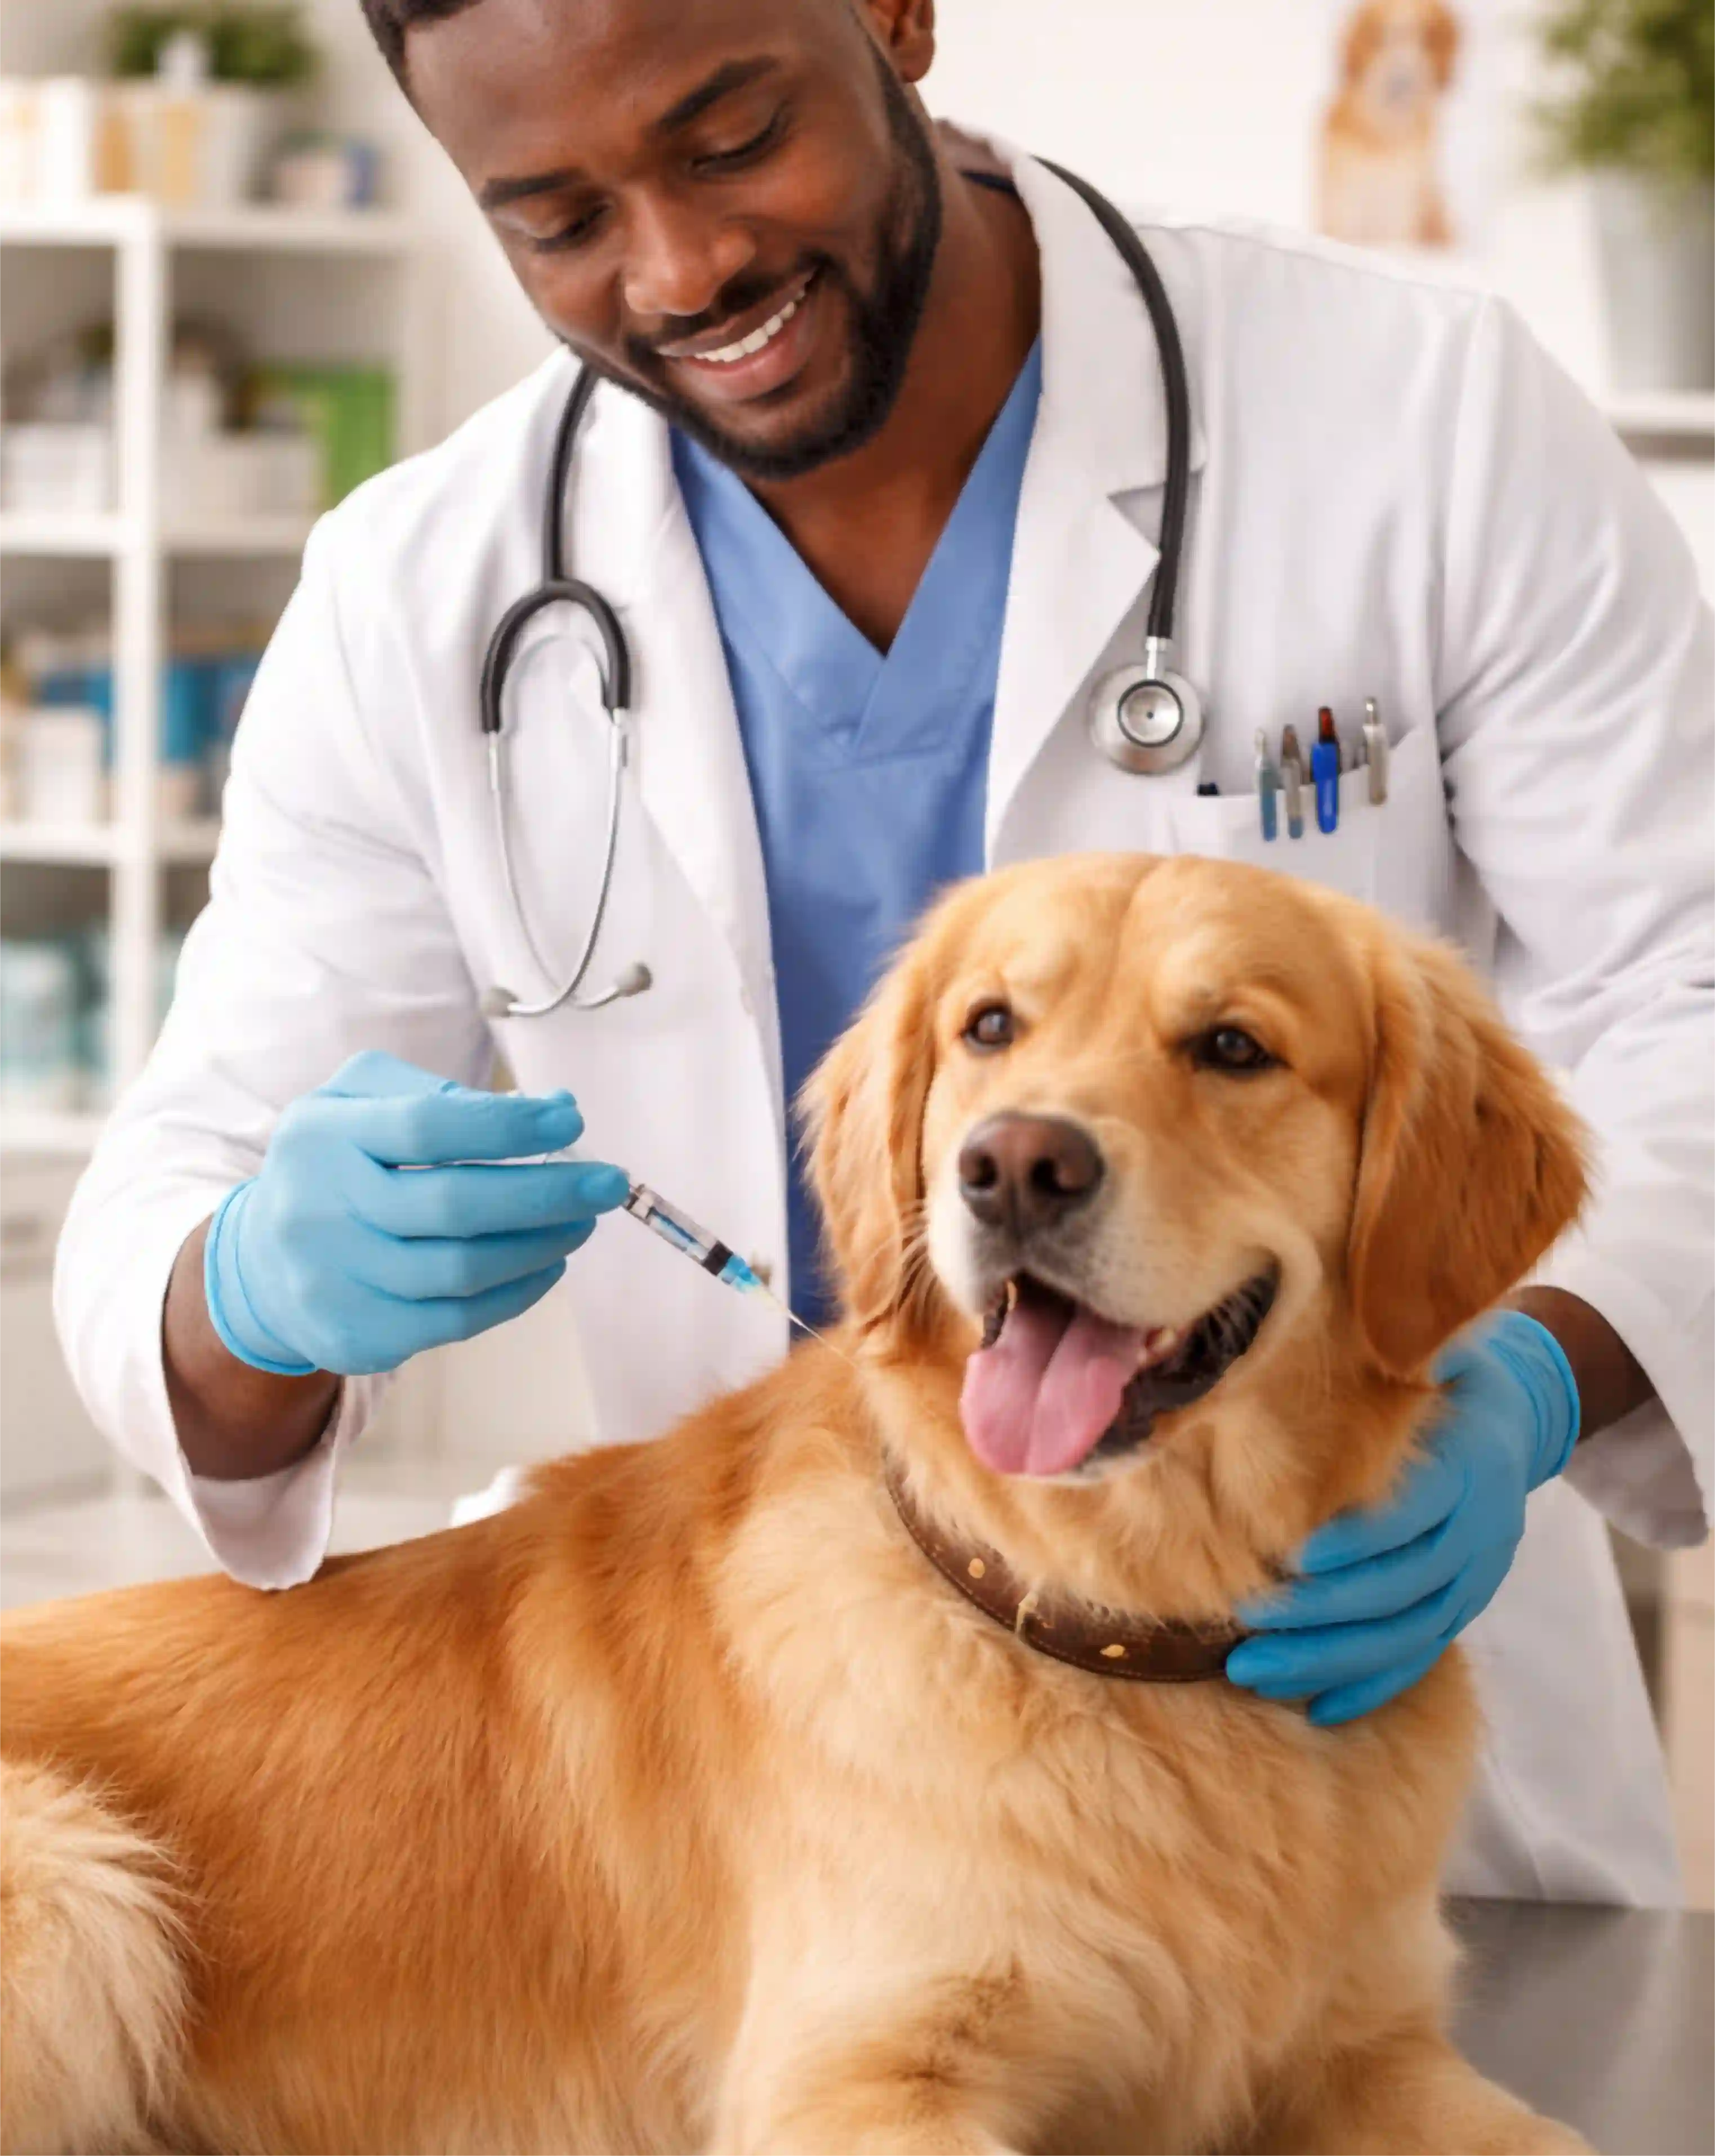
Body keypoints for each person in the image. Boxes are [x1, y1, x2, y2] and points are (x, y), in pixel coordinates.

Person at [55, 0, 1713, 1908]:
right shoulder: (415, 595)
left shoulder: (1417, 421)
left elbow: (1689, 996)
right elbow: (166, 1206)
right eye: (555, 219)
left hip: (1349, 1746)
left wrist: (1527, 1382)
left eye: (733, 137)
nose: (682, 268)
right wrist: (255, 1288)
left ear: (900, 19)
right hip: (811, 1788)